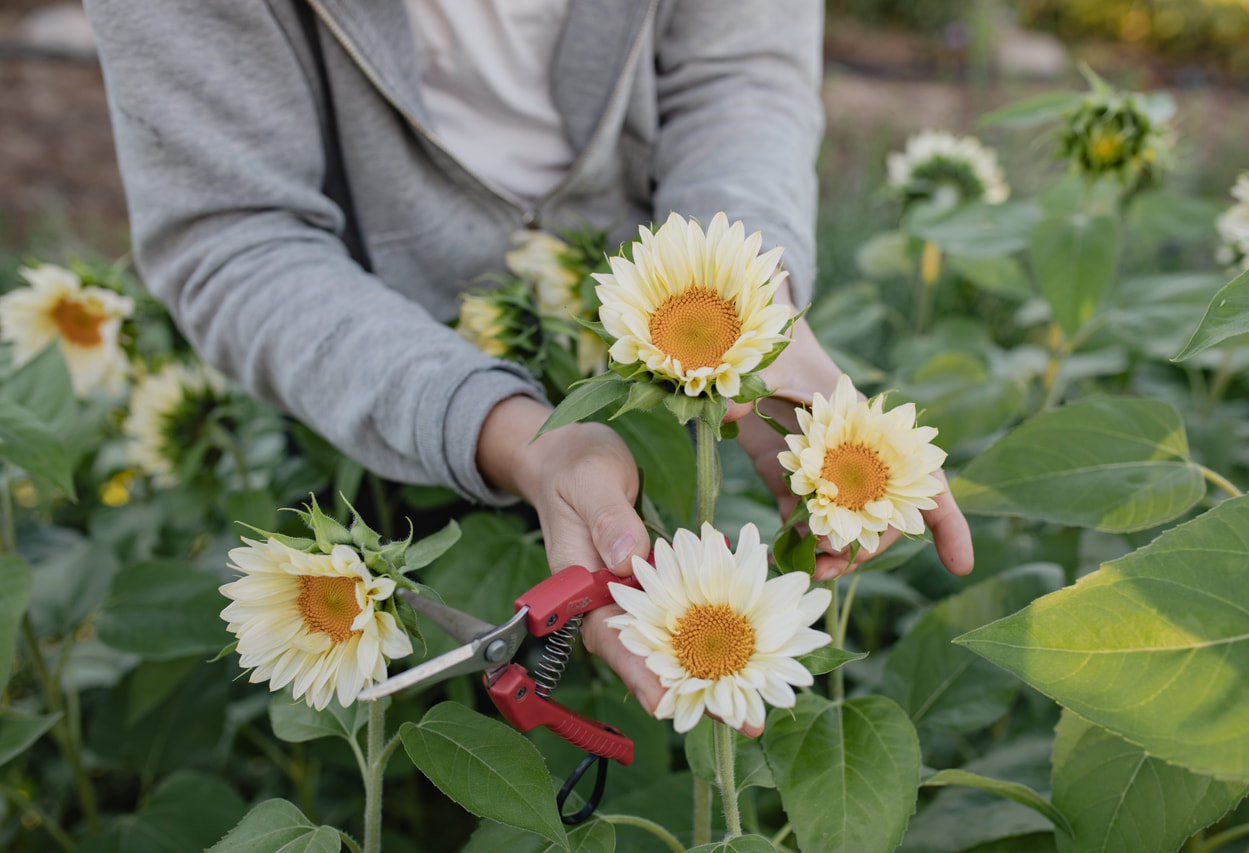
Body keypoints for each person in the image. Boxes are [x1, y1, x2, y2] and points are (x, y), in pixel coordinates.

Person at [84, 0, 973, 734]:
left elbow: (737, 72)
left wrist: (758, 312)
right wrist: (513, 437)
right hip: (371, 378)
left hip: (668, 311)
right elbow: (234, 236)